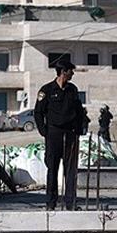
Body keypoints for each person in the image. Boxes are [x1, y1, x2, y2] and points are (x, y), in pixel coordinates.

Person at [34, 59, 85, 211]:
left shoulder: (72, 90)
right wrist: (44, 132)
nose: (72, 74)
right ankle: (51, 202)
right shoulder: (47, 90)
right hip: (53, 134)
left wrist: (79, 129)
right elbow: (38, 112)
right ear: (63, 72)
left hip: (70, 134)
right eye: (70, 71)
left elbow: (79, 111)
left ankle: (70, 202)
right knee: (52, 169)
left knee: (70, 170)